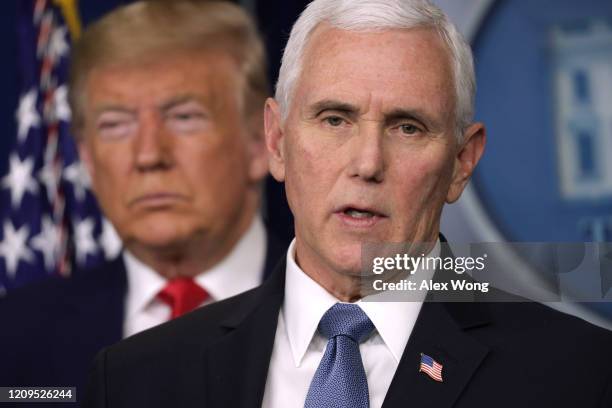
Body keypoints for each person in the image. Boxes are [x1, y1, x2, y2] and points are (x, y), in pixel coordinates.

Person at [83, 1, 612, 407]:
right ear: (276, 141)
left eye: (408, 127)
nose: (366, 163)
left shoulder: (581, 376)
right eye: (335, 119)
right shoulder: (134, 379)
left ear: (461, 162)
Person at [0, 0, 285, 403]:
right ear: (87, 159)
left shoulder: (349, 307)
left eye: (184, 117)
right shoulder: (13, 335)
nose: (149, 155)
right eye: (115, 125)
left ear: (262, 142)